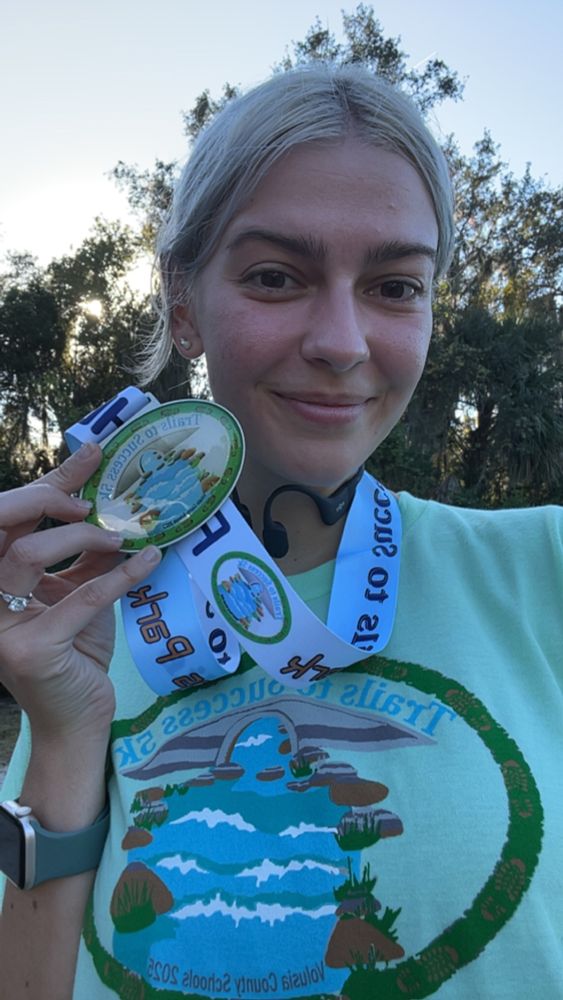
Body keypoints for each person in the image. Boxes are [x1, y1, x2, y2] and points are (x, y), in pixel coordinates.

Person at [0, 64, 561, 1000]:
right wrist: (61, 730)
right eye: (274, 276)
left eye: (394, 285)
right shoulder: (85, 613)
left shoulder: (543, 567)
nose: (342, 340)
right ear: (184, 304)